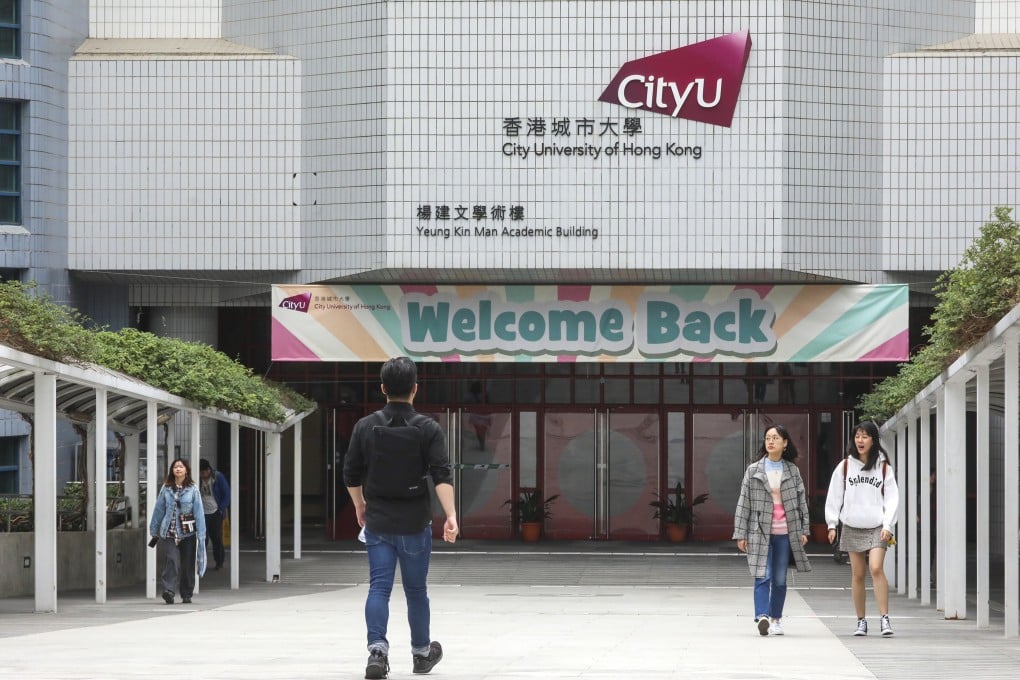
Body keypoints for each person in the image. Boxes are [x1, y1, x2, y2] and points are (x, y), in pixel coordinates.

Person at [343, 356, 459, 679]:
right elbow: (441, 475)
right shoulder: (428, 428)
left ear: (382, 388)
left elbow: (350, 472)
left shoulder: (365, 427)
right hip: (414, 524)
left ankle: (377, 652)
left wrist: (359, 504)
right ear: (415, 389)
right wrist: (451, 516)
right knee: (416, 590)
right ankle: (422, 654)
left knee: (378, 587)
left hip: (378, 522)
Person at [733, 424, 812, 636]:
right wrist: (740, 533)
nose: (771, 441)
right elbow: (744, 502)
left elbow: (801, 502)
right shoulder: (754, 470)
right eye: (768, 437)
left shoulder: (792, 471)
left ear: (785, 443)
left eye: (776, 438)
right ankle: (762, 616)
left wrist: (804, 529)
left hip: (786, 533)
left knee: (779, 579)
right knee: (762, 575)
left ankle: (776, 618)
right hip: (759, 532)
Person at [824, 420, 900, 637]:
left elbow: (893, 499)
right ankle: (861, 621)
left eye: (865, 436)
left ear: (874, 440)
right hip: (852, 525)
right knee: (857, 574)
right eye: (857, 436)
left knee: (875, 568)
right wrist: (832, 524)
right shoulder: (845, 466)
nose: (860, 440)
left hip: (878, 526)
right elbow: (834, 496)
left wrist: (888, 525)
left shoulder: (884, 468)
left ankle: (884, 619)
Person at [149, 457, 207, 604]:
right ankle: (169, 590)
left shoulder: (193, 489)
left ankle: (187, 593)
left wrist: (201, 534)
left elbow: (199, 512)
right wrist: (154, 529)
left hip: (188, 532)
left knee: (188, 563)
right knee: (172, 560)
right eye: (175, 467)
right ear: (172, 471)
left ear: (186, 470)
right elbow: (159, 509)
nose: (178, 469)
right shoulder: (166, 488)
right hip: (169, 532)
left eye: (181, 467)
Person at [199, 458, 230, 570]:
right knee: (203, 538)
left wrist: (221, 509)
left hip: (215, 511)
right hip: (202, 513)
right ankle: (202, 562)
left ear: (208, 470)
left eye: (203, 473)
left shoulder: (218, 477)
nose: (202, 475)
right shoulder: (198, 479)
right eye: (200, 473)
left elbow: (227, 494)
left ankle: (219, 561)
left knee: (216, 538)